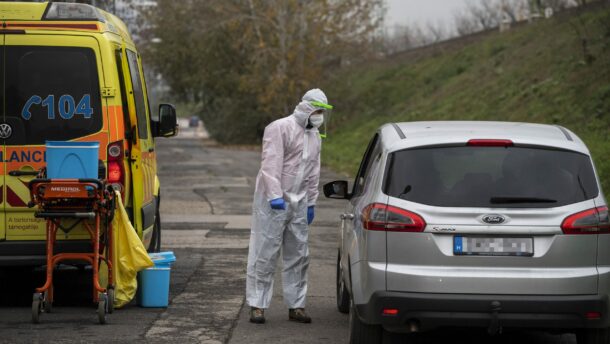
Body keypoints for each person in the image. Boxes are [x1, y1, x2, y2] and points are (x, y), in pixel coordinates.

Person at [245, 88, 332, 324]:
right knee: (265, 252)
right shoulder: (280, 127)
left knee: (299, 255)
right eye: (317, 110)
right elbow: (270, 164)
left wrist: (311, 202)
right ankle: (258, 305)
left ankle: (297, 305)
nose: (319, 115)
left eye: (322, 112)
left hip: (299, 201)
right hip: (273, 201)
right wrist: (275, 195)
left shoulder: (314, 137)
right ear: (306, 107)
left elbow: (314, 172)